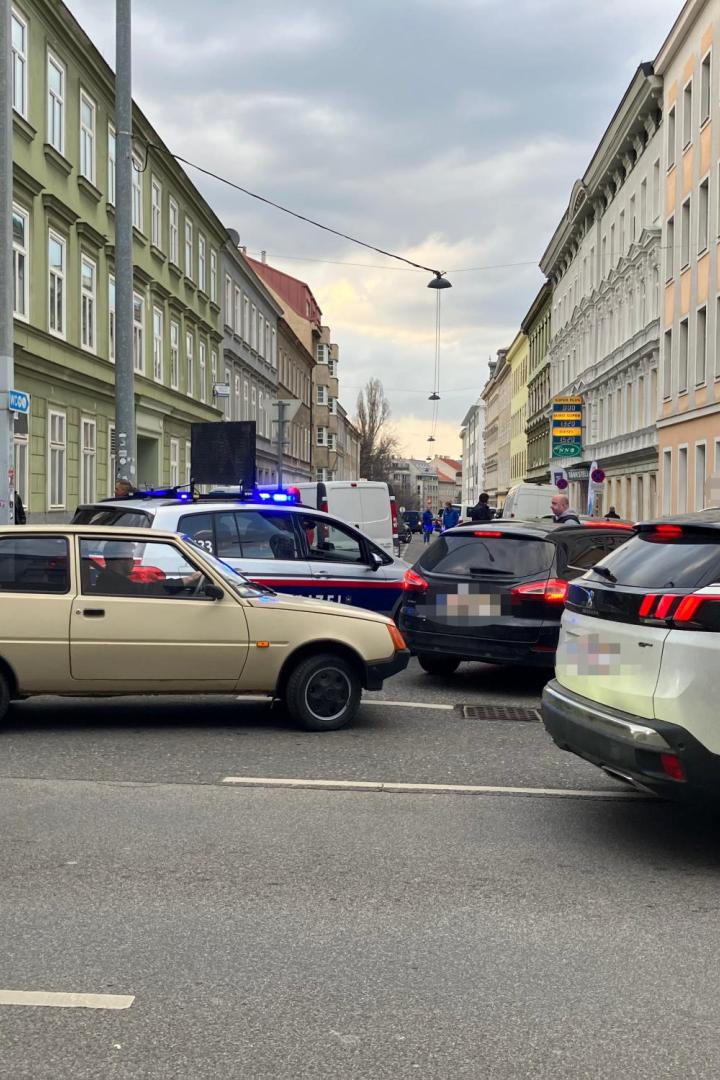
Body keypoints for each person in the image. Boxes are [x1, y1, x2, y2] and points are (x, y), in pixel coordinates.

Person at [91, 541, 202, 597]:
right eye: (130, 556)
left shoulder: (111, 578)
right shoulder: (113, 582)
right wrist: (186, 580)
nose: (133, 561)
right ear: (120, 559)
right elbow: (147, 590)